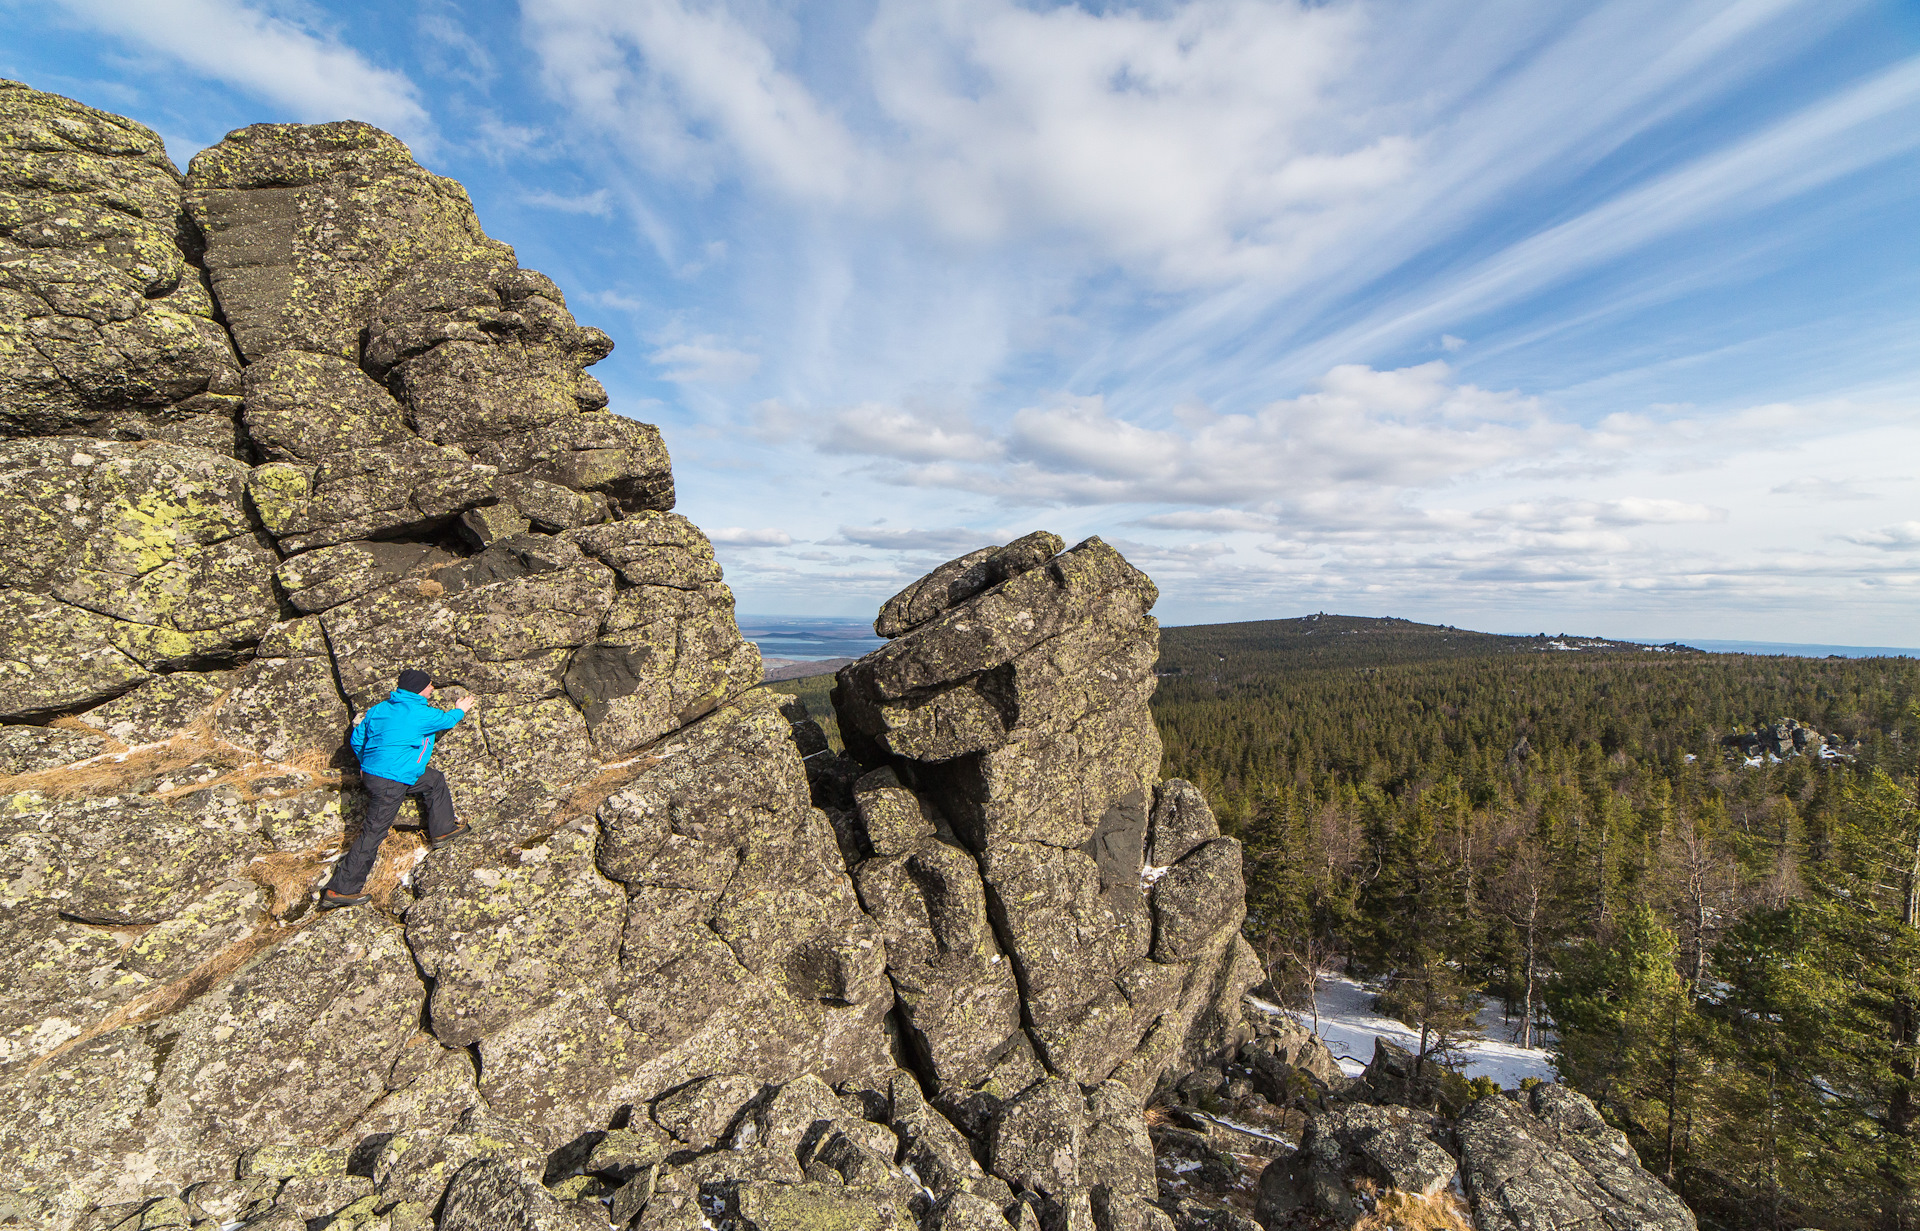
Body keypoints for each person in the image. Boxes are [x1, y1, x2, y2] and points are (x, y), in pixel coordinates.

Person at [319, 668, 477, 910]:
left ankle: (443, 830)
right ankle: (339, 890)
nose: (432, 688)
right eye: (429, 685)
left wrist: (365, 763)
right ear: (419, 689)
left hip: (377, 773)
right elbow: (447, 720)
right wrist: (461, 708)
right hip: (390, 782)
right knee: (372, 834)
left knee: (433, 779)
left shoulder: (380, 708)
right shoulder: (421, 713)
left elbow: (357, 739)